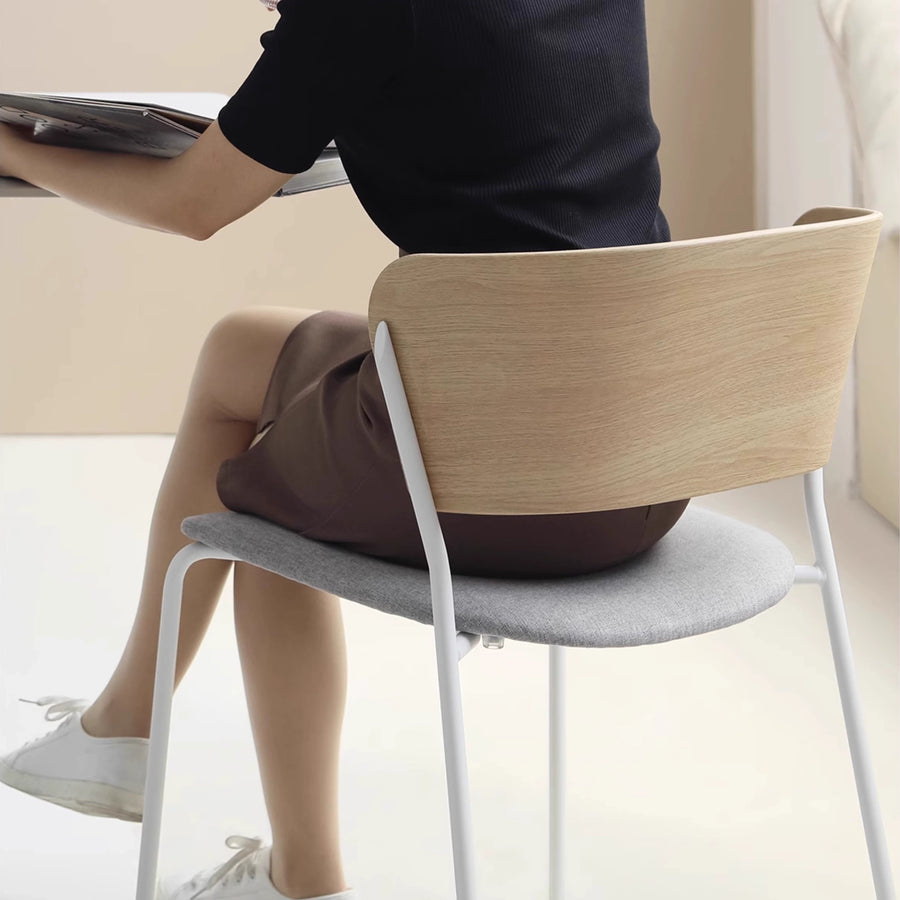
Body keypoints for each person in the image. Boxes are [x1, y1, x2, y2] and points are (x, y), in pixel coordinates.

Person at [0, 0, 690, 897]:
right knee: (238, 354)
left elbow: (191, 203)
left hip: (515, 484)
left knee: (267, 508)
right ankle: (123, 723)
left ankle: (304, 880)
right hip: (651, 451)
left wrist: (14, 149)